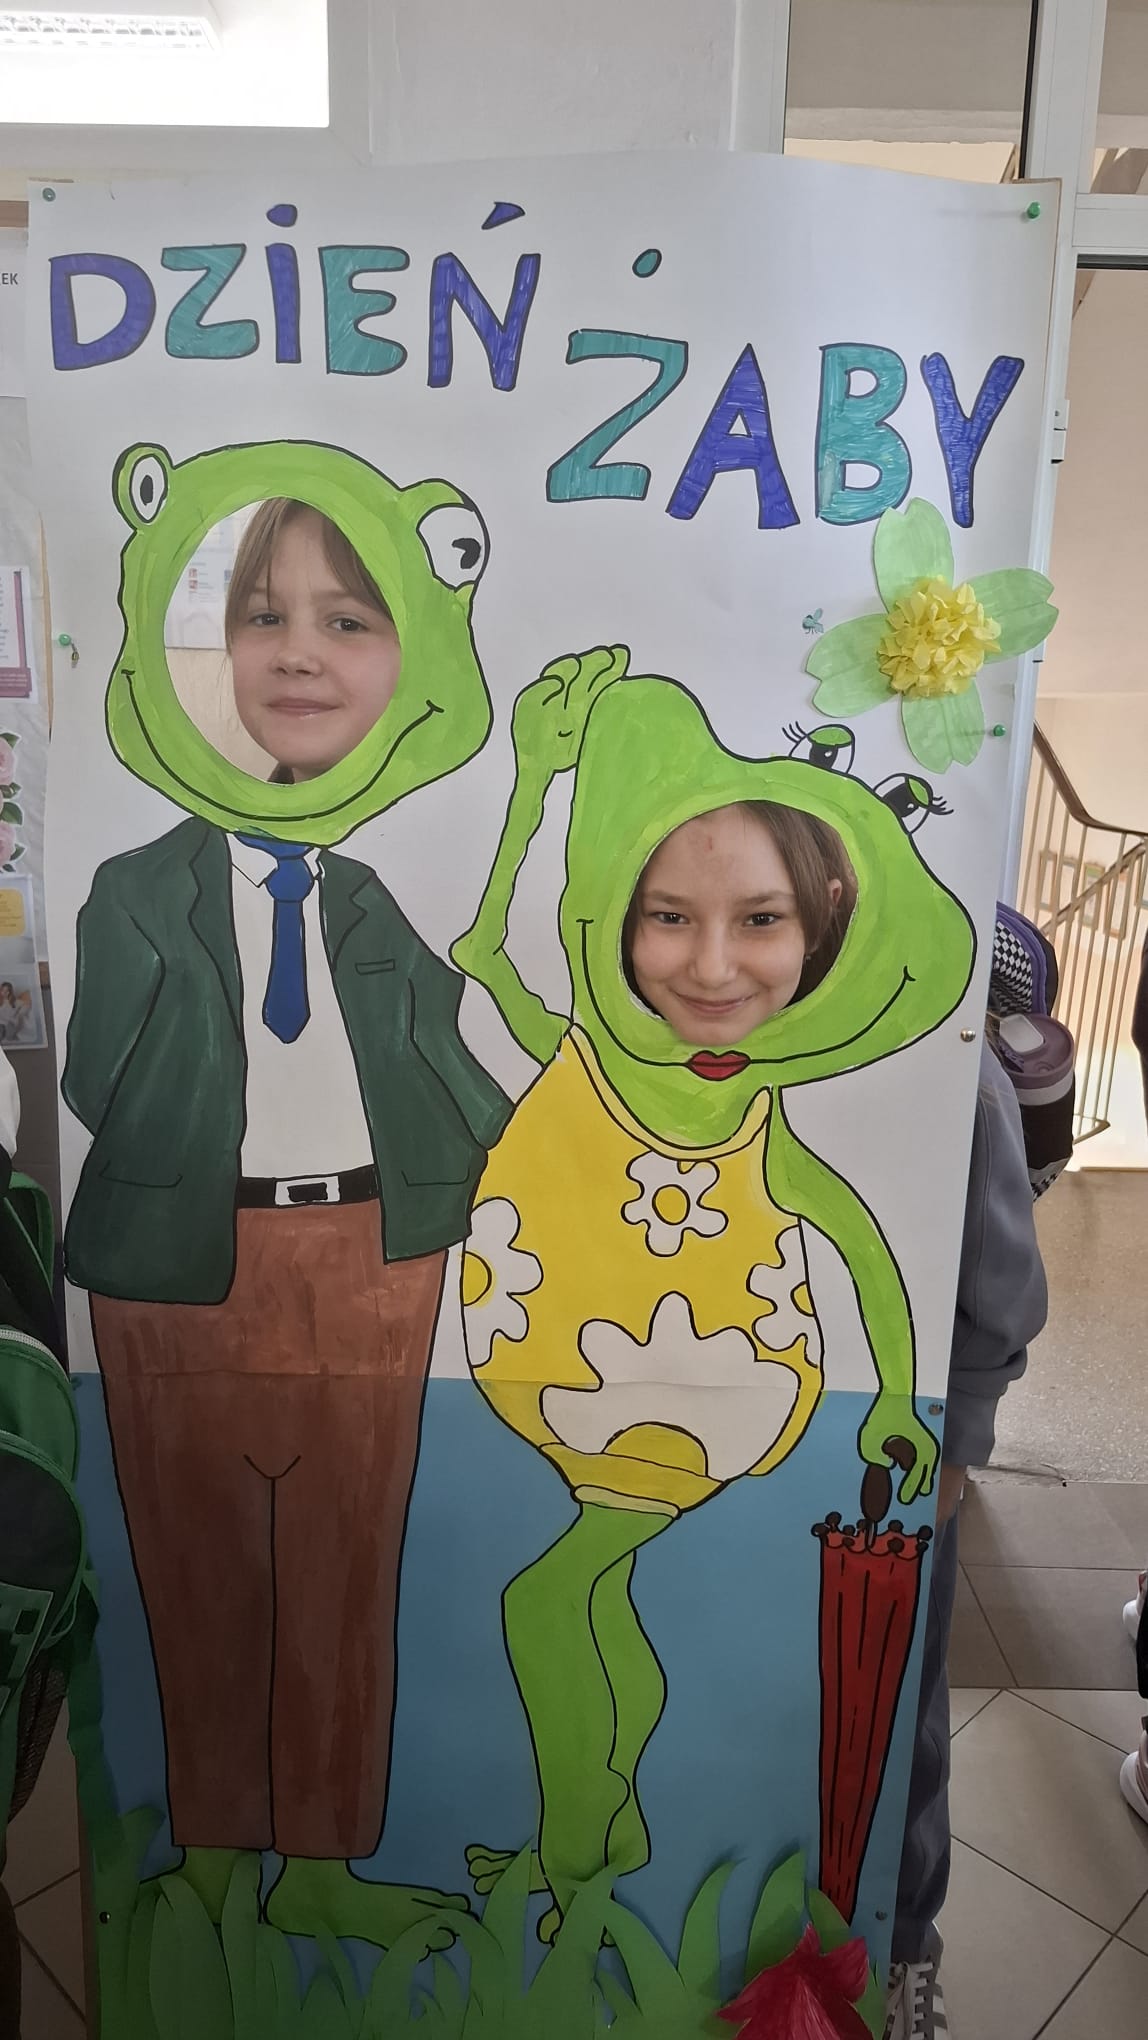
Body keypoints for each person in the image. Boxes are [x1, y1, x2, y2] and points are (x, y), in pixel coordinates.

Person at [64, 495, 509, 1946]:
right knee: (192, 1562)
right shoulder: (136, 888)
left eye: (346, 618)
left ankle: (321, 1860)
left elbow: (453, 1070)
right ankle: (206, 1849)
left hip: (368, 1256)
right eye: (264, 614)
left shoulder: (384, 896)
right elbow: (92, 1077)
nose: (299, 650)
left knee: (342, 1565)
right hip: (176, 1262)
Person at [885, 1028, 1047, 2040]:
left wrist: (955, 1454)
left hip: (896, 1454)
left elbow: (997, 1287)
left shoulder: (950, 1053)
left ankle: (903, 1958)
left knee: (899, 1721)